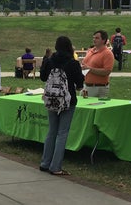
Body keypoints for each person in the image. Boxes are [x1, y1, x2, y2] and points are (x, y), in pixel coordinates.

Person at [39, 36, 84, 176]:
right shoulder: (72, 63)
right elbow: (79, 83)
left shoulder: (50, 60)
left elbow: (43, 77)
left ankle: (45, 163)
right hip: (67, 100)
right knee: (62, 133)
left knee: (51, 131)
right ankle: (56, 166)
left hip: (52, 99)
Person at [81, 30, 114, 98]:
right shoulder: (91, 51)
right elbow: (84, 64)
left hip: (98, 87)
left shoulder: (107, 53)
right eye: (93, 38)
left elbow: (107, 71)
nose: (94, 40)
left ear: (103, 40)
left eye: (97, 38)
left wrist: (89, 69)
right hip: (86, 86)